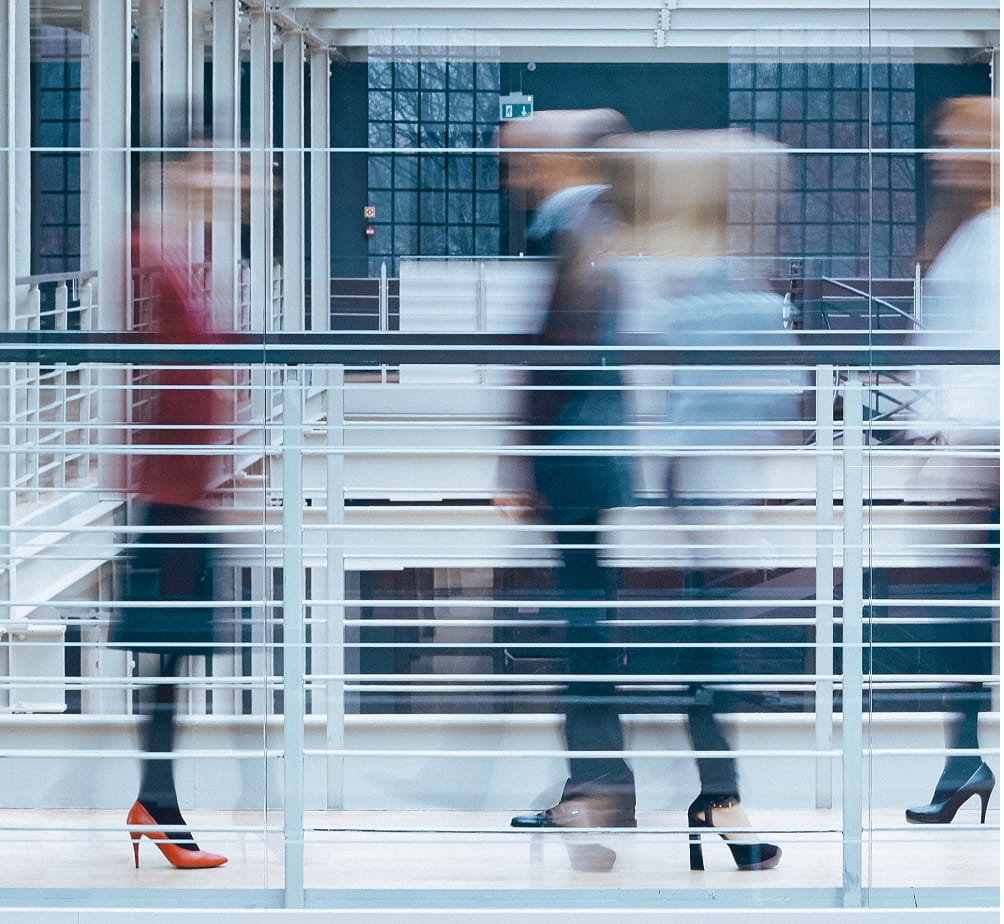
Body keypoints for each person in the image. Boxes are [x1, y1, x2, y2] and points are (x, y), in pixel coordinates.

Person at [601, 129, 790, 871]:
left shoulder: (708, 283)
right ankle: (711, 802)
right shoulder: (697, 285)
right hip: (685, 501)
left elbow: (740, 402)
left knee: (707, 657)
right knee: (700, 656)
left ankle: (715, 800)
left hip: (698, 499)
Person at [497, 110, 637, 871]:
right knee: (585, 623)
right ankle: (602, 780)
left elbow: (558, 360)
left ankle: (597, 787)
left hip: (575, 461)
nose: (512, 177)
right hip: (593, 458)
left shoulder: (577, 227)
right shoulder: (596, 221)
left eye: (520, 161)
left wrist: (522, 463)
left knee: (582, 628)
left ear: (554, 160)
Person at [110, 136, 231, 869]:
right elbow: (158, 373)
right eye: (215, 165)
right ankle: (159, 807)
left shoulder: (182, 252)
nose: (234, 180)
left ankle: (158, 802)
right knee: (168, 651)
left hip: (189, 487)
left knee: (175, 655)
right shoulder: (148, 250)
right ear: (178, 171)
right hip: (171, 489)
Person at [904, 95, 999, 825]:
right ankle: (962, 760)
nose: (939, 154)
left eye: (955, 140)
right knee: (959, 619)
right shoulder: (967, 232)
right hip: (966, 450)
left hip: (984, 451)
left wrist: (962, 441)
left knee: (963, 615)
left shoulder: (991, 236)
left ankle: (963, 761)